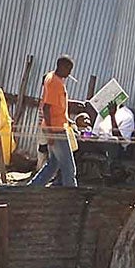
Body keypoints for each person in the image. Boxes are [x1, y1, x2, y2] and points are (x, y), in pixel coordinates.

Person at [29, 56, 78, 188]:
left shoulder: (52, 78)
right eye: (68, 69)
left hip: (56, 126)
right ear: (61, 66)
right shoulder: (54, 83)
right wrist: (51, 134)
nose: (69, 73)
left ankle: (32, 188)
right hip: (56, 130)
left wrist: (68, 120)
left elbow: (57, 107)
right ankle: (72, 196)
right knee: (69, 167)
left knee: (53, 164)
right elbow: (46, 108)